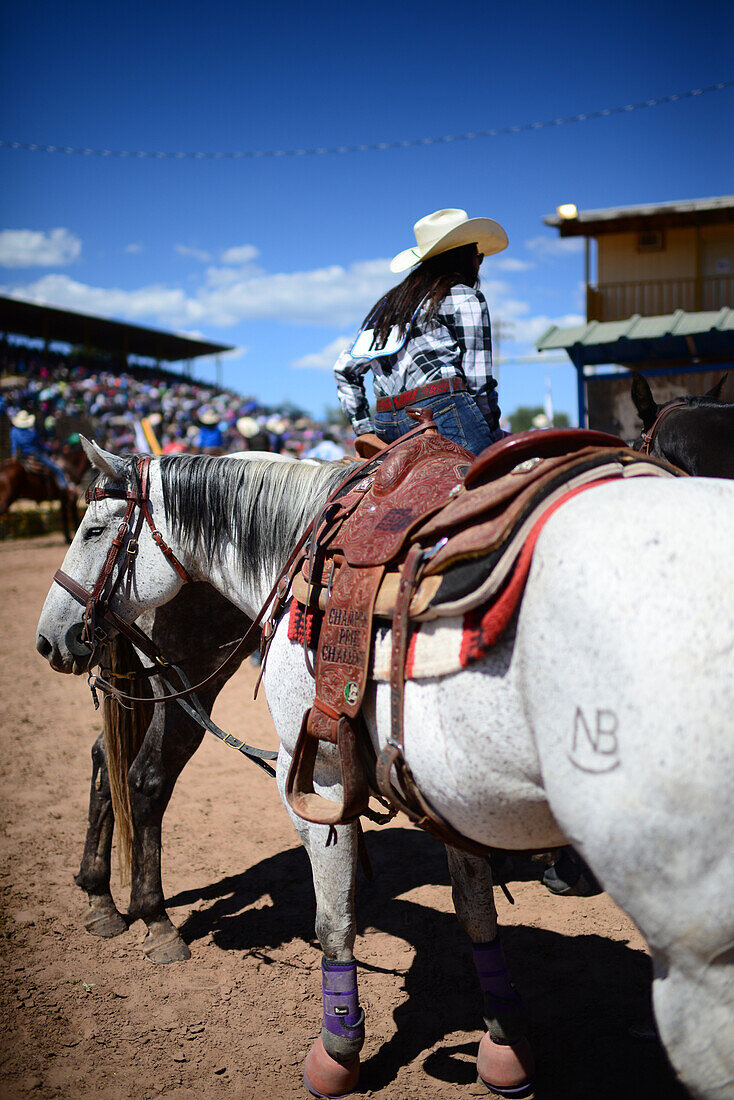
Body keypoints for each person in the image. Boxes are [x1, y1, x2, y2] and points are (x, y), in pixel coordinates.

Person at [333, 208, 508, 456]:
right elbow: (479, 382)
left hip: (386, 422)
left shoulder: (388, 307)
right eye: (478, 255)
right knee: (497, 479)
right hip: (444, 413)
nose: (479, 262)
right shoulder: (464, 296)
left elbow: (343, 369)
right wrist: (491, 431)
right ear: (466, 256)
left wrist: (364, 431)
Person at [9, 409, 70, 490]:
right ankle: (64, 488)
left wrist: (14, 457)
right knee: (57, 469)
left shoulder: (13, 431)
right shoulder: (32, 431)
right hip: (36, 454)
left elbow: (14, 446)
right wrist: (50, 449)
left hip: (23, 456)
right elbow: (39, 445)